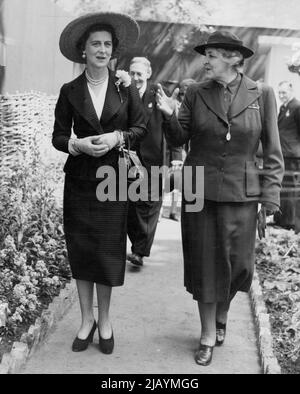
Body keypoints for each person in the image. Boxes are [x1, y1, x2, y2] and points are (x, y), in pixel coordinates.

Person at [156, 30, 284, 366]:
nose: (206, 60)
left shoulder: (263, 93)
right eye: (206, 55)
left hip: (244, 194)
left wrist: (270, 200)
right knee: (206, 265)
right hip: (201, 190)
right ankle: (208, 334)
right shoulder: (196, 93)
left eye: (212, 54)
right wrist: (169, 114)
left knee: (239, 267)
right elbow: (180, 135)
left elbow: (273, 151)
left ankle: (222, 314)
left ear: (232, 57)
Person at [52, 12, 147, 354]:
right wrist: (77, 145)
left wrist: (116, 137)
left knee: (107, 251)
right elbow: (59, 136)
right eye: (96, 44)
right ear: (83, 51)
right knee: (82, 249)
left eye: (108, 44)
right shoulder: (70, 90)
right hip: (79, 180)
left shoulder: (126, 87)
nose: (102, 50)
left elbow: (140, 129)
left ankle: (104, 320)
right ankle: (85, 320)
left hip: (114, 179)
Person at [126, 57, 182, 267]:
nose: (135, 78)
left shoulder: (157, 93)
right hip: (129, 159)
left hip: (154, 160)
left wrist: (176, 157)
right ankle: (137, 246)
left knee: (148, 206)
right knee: (131, 206)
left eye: (139, 74)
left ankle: (139, 252)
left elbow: (171, 124)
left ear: (148, 74)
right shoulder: (124, 91)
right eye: (132, 73)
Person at [273, 81, 300, 231]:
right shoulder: (283, 107)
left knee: (291, 189)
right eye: (280, 93)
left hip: (293, 155)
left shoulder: (297, 106)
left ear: (291, 90)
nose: (281, 95)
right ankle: (281, 219)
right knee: (281, 187)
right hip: (283, 153)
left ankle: (290, 222)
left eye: (284, 92)